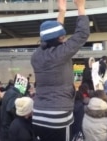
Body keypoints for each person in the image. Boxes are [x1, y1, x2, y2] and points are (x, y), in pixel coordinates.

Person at [30, 0, 90, 140]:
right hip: (58, 116)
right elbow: (82, 33)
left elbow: (52, 36)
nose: (64, 38)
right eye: (62, 37)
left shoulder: (36, 55)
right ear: (58, 39)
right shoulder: (61, 54)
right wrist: (80, 7)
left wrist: (62, 11)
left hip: (38, 114)